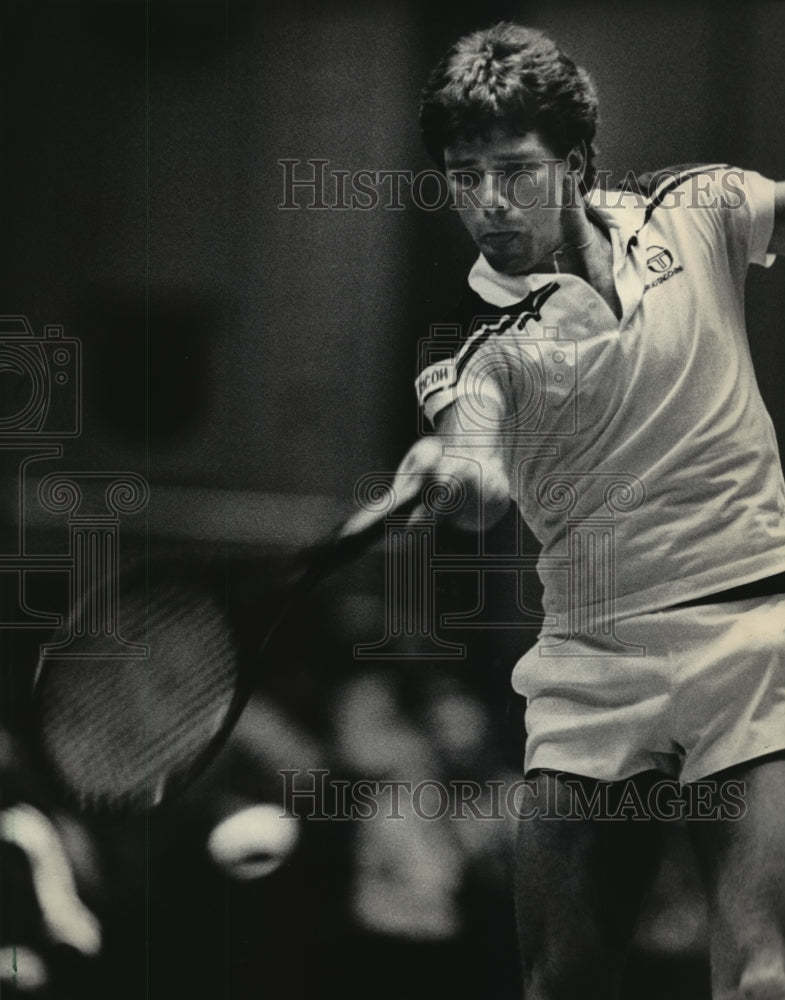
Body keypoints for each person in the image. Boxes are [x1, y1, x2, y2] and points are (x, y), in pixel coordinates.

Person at [353, 21, 785, 1000]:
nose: (489, 203)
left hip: (750, 640)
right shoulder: (473, 345)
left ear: (578, 161)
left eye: (513, 169)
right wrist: (450, 477)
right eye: (464, 177)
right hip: (594, 670)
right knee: (561, 986)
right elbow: (477, 473)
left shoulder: (696, 210)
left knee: (762, 978)